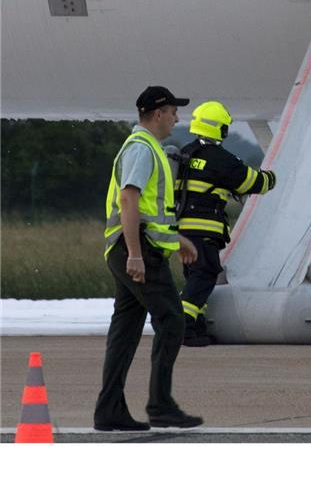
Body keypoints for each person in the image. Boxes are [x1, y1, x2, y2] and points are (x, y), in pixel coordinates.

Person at [94, 86, 202, 431]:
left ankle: (109, 410)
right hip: (135, 250)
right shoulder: (143, 149)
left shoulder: (145, 147)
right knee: (172, 320)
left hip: (131, 247)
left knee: (125, 331)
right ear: (158, 114)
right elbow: (129, 201)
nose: (177, 117)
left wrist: (176, 239)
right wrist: (136, 256)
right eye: (173, 111)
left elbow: (150, 213)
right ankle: (160, 405)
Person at [176, 100, 277, 347]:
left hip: (181, 231)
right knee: (205, 274)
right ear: (219, 129)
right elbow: (252, 183)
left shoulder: (184, 154)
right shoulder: (220, 159)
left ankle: (196, 327)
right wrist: (272, 177)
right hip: (205, 230)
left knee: (194, 278)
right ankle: (181, 325)